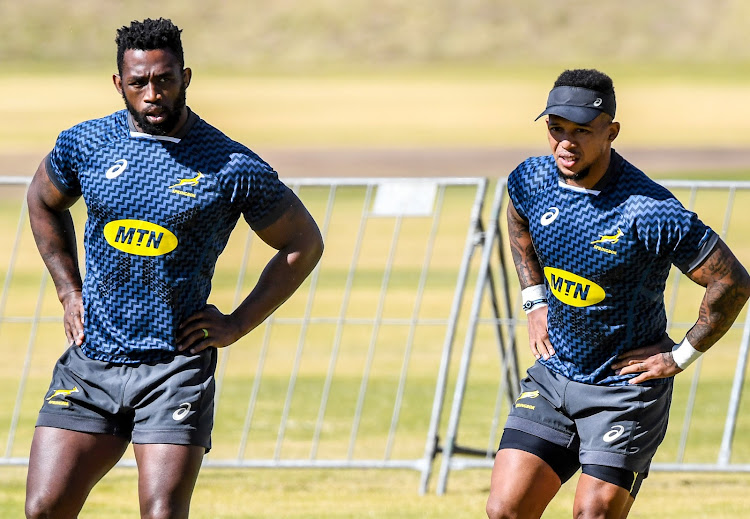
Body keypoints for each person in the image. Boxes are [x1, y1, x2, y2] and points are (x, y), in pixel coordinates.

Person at [24, 18, 323, 519]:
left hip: (175, 367)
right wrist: (67, 290)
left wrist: (236, 323)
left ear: (186, 76)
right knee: (43, 508)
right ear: (119, 83)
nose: (153, 93)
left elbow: (302, 242)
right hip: (92, 357)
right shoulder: (86, 143)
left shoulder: (231, 165)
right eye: (139, 82)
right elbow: (42, 200)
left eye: (164, 79)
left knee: (161, 513)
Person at [486, 68, 750, 519]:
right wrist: (534, 299)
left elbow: (732, 282)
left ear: (612, 132)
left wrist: (679, 356)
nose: (566, 143)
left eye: (582, 132)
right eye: (556, 129)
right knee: (504, 510)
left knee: (594, 515)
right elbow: (517, 218)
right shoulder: (530, 180)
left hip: (623, 389)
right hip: (555, 375)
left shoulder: (648, 210)